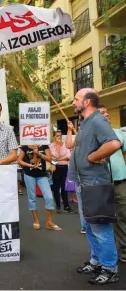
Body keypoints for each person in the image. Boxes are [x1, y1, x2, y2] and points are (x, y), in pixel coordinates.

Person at [68, 88, 121, 285]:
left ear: (87, 101)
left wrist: (93, 156)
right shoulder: (84, 122)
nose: (74, 102)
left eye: (76, 99)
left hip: (95, 182)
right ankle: (97, 261)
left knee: (100, 228)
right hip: (84, 182)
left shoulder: (98, 120)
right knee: (89, 226)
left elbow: (114, 143)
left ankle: (110, 269)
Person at [98, 104, 126, 264]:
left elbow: (124, 153)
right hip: (101, 184)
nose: (107, 114)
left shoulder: (119, 133)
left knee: (123, 216)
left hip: (121, 181)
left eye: (107, 112)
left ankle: (124, 252)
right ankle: (107, 255)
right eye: (103, 113)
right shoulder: (92, 135)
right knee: (104, 219)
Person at [18, 145, 61, 231]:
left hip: (42, 175)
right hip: (29, 175)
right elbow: (19, 160)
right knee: (32, 198)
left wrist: (38, 153)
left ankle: (49, 222)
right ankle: (36, 220)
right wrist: (28, 165)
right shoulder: (25, 146)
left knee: (49, 197)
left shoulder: (44, 145)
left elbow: (49, 159)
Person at [49, 130, 73, 213]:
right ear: (54, 137)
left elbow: (69, 156)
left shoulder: (66, 144)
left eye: (60, 136)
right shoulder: (51, 146)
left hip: (64, 167)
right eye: (57, 136)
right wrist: (58, 147)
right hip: (56, 168)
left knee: (64, 187)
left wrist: (58, 159)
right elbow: (55, 155)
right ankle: (58, 206)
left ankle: (66, 206)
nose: (59, 137)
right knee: (56, 188)